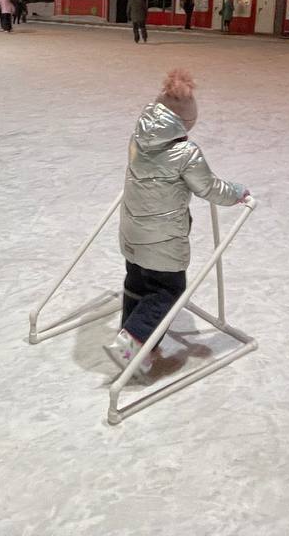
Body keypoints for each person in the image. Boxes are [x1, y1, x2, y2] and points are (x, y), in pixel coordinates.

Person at [105, 69, 249, 380]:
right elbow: (209, 188)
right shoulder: (186, 153)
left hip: (132, 231)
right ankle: (134, 341)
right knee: (169, 291)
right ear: (184, 125)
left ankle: (136, 341)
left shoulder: (137, 140)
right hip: (164, 240)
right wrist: (238, 193)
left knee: (137, 284)